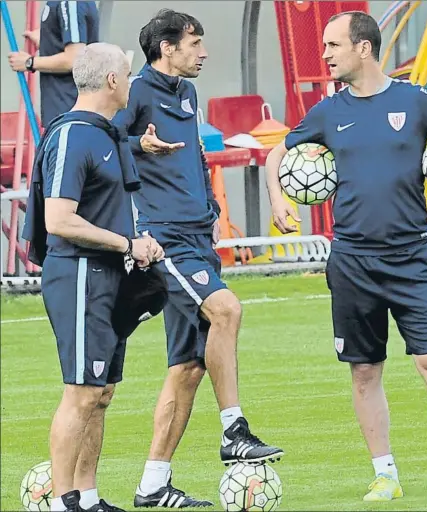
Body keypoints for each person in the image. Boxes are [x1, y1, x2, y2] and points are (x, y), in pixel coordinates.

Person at [266, 11, 427, 504]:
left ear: (364, 48)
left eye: (333, 45)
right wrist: (278, 198)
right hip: (352, 261)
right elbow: (275, 153)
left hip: (412, 256)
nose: (325, 55)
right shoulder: (328, 112)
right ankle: (384, 475)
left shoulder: (413, 99)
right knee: (365, 370)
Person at [112, 9, 283, 509]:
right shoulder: (136, 91)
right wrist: (135, 143)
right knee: (227, 309)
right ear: (166, 47)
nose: (204, 52)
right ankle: (235, 431)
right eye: (194, 43)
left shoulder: (185, 93)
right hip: (164, 239)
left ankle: (152, 486)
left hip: (198, 236)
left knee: (188, 368)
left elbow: (190, 156)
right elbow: (99, 138)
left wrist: (209, 209)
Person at [22, 42, 164, 512]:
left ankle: (88, 496)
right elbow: (59, 220)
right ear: (111, 81)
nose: (131, 81)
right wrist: (126, 244)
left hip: (110, 277)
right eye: (127, 73)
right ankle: (64, 503)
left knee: (100, 394)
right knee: (81, 393)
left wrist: (138, 244)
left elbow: (109, 205)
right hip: (80, 275)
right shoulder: (72, 135)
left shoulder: (107, 134)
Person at [8, 1, 99, 127]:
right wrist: (46, 39)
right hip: (63, 109)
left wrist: (29, 62)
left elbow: (74, 59)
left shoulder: (70, 3)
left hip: (69, 109)